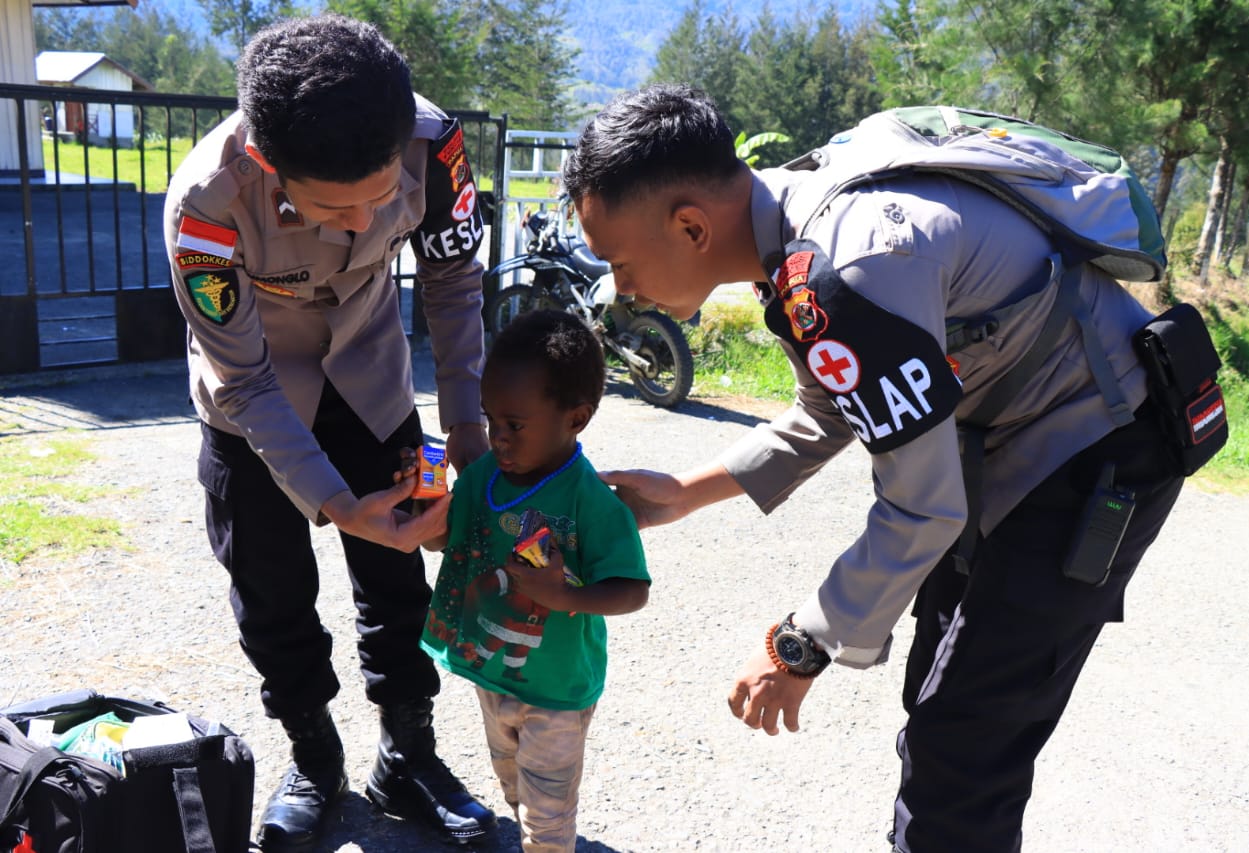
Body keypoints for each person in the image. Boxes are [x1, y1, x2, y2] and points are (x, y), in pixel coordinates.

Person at [559, 84, 1186, 853]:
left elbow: (922, 510)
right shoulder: (790, 220)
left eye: (619, 261)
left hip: (1100, 444)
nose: (621, 288)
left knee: (965, 744)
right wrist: (685, 494)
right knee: (942, 698)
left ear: (690, 225)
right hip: (1013, 442)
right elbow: (833, 406)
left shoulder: (847, 266)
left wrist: (802, 643)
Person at [162, 15, 496, 851]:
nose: (361, 223)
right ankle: (314, 756)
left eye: (381, 197)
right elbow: (243, 379)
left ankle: (408, 753)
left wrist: (465, 424)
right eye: (333, 205)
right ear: (270, 164)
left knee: (400, 578)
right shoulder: (204, 206)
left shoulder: (432, 141)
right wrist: (337, 504)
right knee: (271, 595)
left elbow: (454, 280)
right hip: (253, 410)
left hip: (374, 383)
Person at [416, 309, 650, 853]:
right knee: (514, 788)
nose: (497, 437)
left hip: (557, 692)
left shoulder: (589, 502)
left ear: (577, 418)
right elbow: (440, 542)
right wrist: (422, 506)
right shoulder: (482, 479)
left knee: (547, 819)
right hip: (492, 674)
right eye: (490, 419)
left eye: (514, 425)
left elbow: (632, 589)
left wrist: (564, 595)